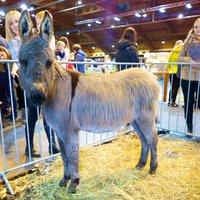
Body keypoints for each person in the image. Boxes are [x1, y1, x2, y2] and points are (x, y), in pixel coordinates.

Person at [177, 18, 200, 136]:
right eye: (196, 27)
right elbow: (178, 58)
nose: (197, 30)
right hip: (187, 78)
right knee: (188, 103)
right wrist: (189, 60)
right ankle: (189, 128)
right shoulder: (187, 42)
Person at [0, 36, 18, 126]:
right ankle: (6, 114)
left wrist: (13, 71)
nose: (1, 57)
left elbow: (14, 63)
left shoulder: (8, 63)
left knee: (11, 96)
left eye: (2, 55)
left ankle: (13, 115)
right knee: (4, 98)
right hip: (2, 83)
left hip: (8, 79)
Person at [166, 40, 183, 107]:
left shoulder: (172, 52)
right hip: (178, 72)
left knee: (172, 87)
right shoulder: (182, 52)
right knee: (176, 87)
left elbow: (168, 64)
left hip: (171, 72)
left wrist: (170, 69)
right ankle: (173, 102)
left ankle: (169, 101)